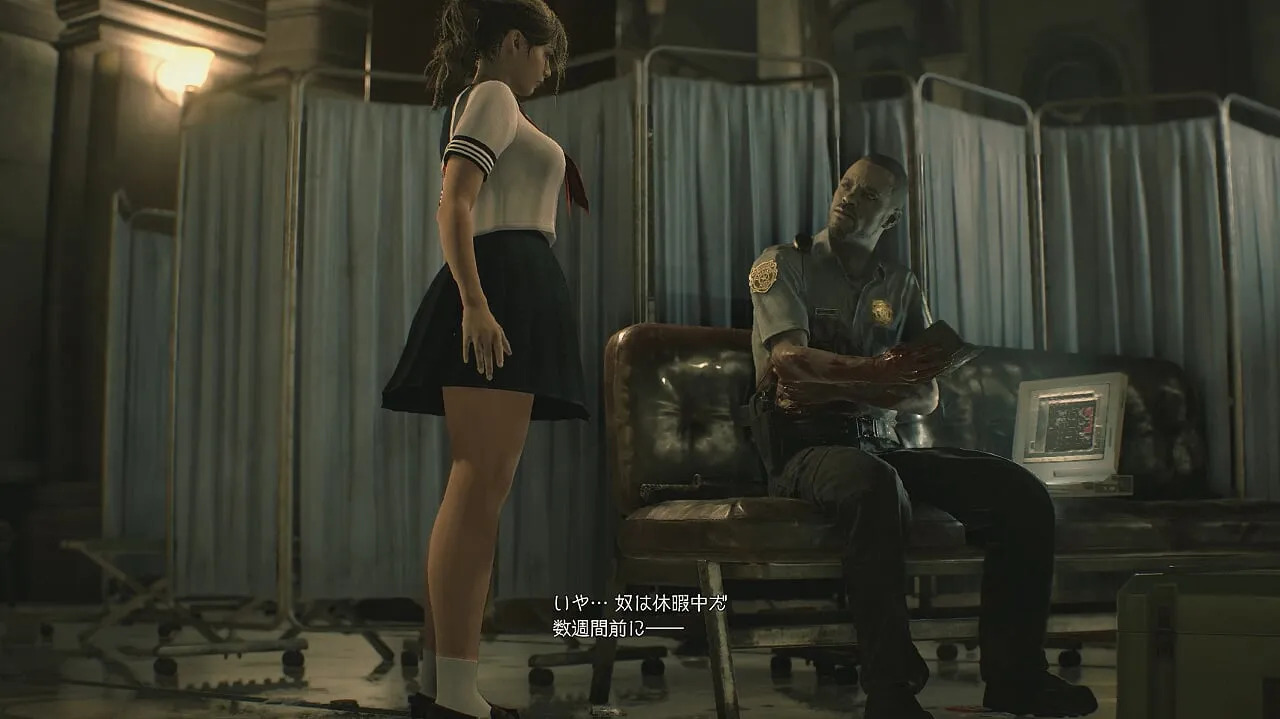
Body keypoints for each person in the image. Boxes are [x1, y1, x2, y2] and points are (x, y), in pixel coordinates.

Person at [746, 154, 1099, 719]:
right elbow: (790, 362)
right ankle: (890, 690)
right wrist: (878, 376)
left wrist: (855, 382)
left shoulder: (901, 284)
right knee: (873, 483)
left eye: (867, 195)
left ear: (890, 218)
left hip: (880, 444)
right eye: (846, 185)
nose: (848, 197)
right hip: (804, 448)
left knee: (1020, 492)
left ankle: (1017, 677)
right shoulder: (784, 263)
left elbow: (927, 394)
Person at [380, 1, 588, 717]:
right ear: (514, 42)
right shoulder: (494, 94)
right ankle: (454, 689)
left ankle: (442, 684)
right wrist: (474, 302)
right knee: (477, 486)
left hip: (510, 286)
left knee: (474, 488)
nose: (547, 69)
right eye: (544, 53)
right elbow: (455, 203)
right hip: (500, 285)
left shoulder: (492, 102)